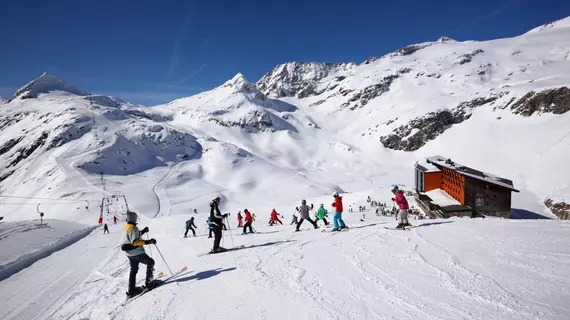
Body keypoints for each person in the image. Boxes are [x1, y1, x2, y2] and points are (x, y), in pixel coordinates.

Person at [121, 211, 158, 298]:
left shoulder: (127, 227)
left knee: (133, 270)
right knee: (150, 262)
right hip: (136, 253)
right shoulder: (133, 228)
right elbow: (135, 241)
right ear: (134, 218)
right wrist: (148, 242)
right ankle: (149, 283)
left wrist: (143, 231)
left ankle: (131, 290)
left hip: (129, 254)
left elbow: (134, 236)